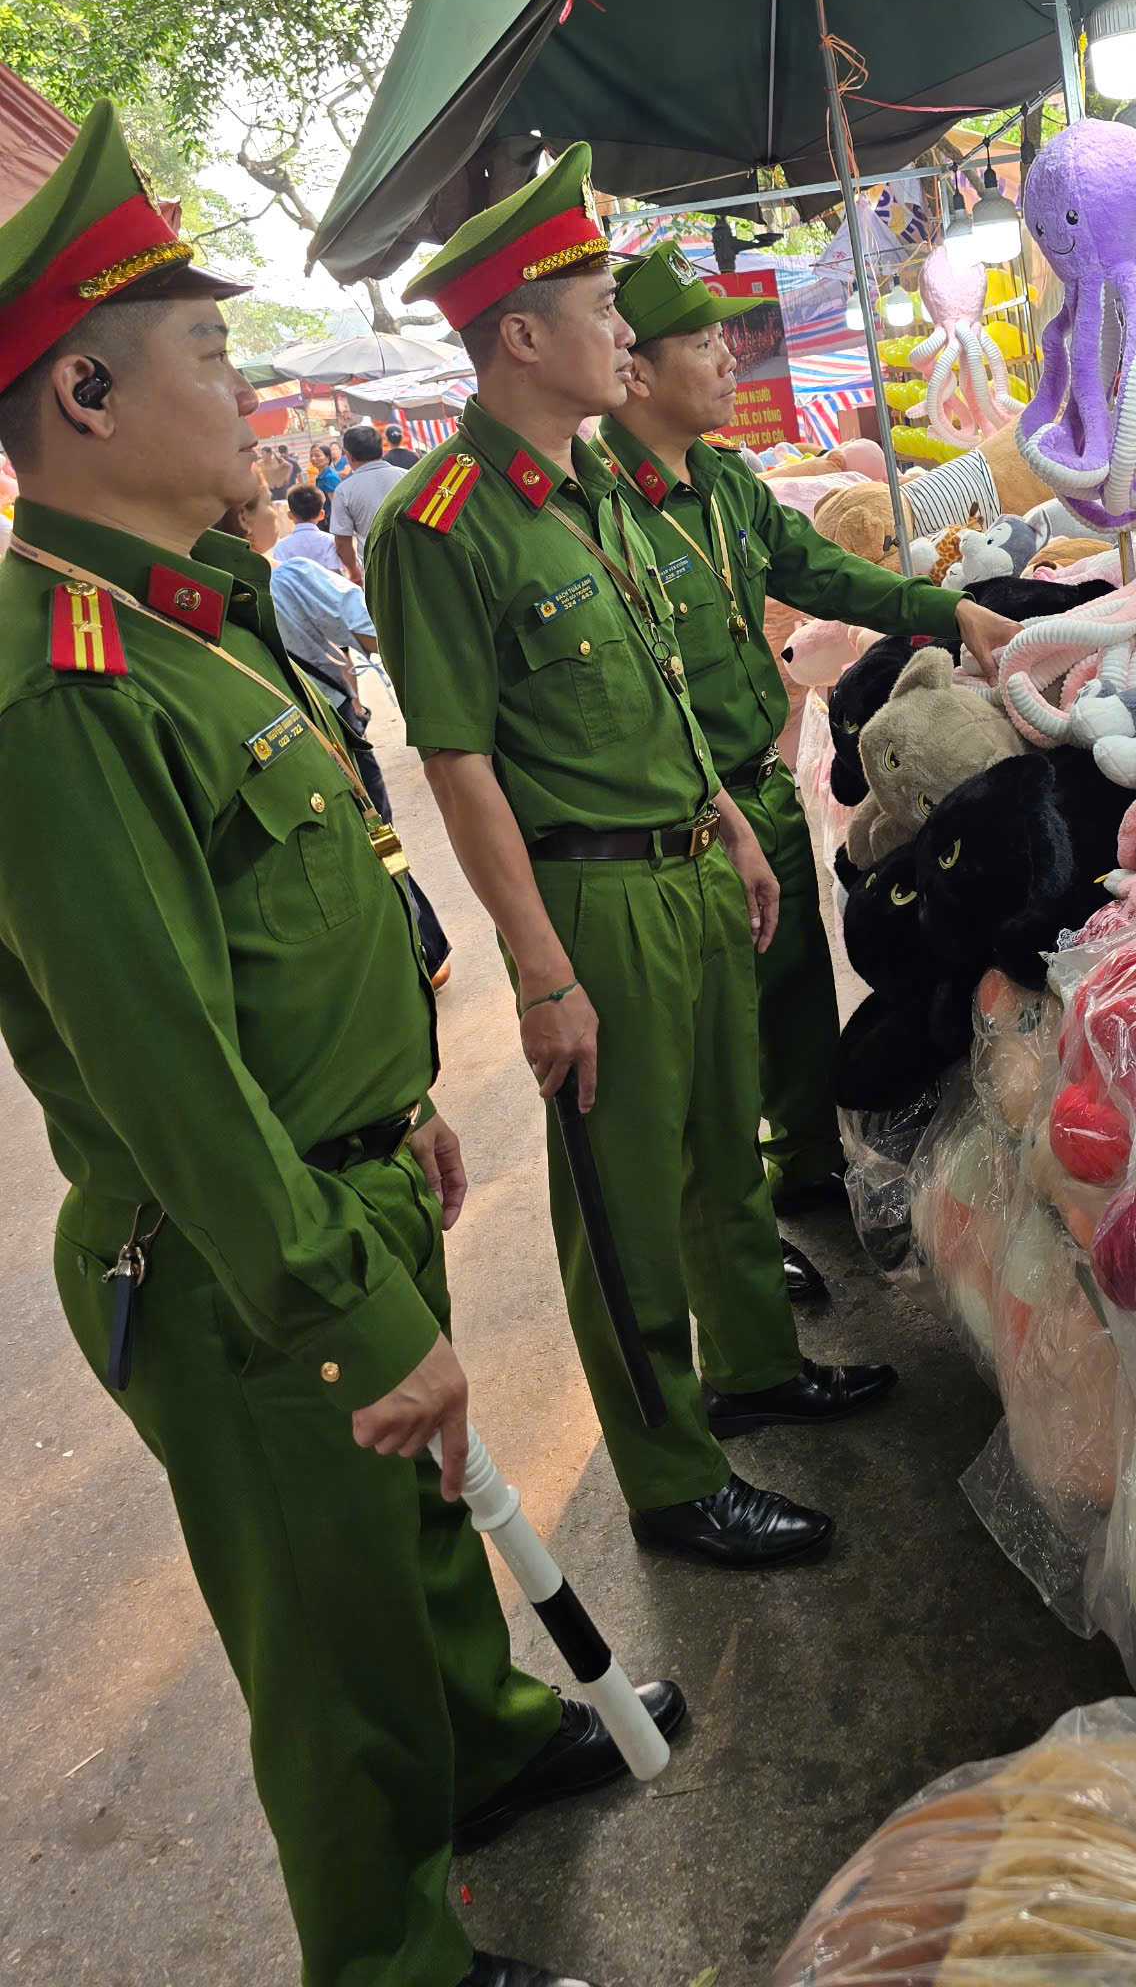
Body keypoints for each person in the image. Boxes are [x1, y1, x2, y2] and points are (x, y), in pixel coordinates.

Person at [0, 101, 670, 1987]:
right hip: (239, 1260)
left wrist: (392, 1115)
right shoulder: (65, 683)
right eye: (212, 353)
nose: (250, 393)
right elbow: (165, 1071)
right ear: (86, 396)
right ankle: (392, 1959)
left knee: (419, 1542)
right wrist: (338, 1306)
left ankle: (489, 1748)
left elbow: (289, 933)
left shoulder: (186, 617)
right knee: (335, 1643)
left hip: (336, 1184)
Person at [364, 145, 895, 1573]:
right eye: (601, 308)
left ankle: (758, 1369)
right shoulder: (439, 525)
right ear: (521, 338)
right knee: (625, 1205)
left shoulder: (590, 489)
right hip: (591, 895)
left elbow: (658, 682)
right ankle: (672, 1479)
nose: (628, 331)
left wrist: (725, 821)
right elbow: (460, 766)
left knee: (725, 1151)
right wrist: (543, 974)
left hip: (690, 862)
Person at [599, 243, 1019, 1211]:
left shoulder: (725, 483)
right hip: (684, 814)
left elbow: (823, 572)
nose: (728, 360)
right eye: (702, 344)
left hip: (761, 785)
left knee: (794, 994)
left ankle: (808, 1173)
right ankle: (737, 1226)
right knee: (717, 1035)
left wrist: (949, 609)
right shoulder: (600, 510)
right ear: (637, 372)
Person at [227, 468, 455, 989]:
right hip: (328, 734)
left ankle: (412, 953)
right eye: (265, 502)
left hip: (262, 756)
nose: (276, 512)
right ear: (243, 519)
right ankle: (422, 950)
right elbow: (371, 629)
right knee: (375, 841)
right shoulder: (288, 578)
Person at [329, 422, 412, 584]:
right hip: (413, 562)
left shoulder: (345, 490)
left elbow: (343, 543)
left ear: (349, 455)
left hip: (377, 571)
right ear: (381, 449)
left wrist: (354, 572)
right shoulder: (407, 477)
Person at [273, 479, 340, 567]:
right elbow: (336, 571)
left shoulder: (281, 546)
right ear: (321, 515)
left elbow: (279, 573)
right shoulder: (331, 541)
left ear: (290, 515)